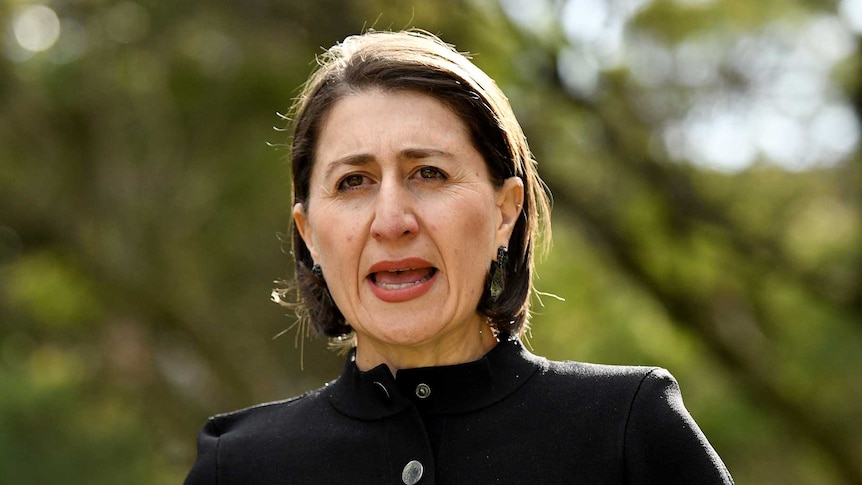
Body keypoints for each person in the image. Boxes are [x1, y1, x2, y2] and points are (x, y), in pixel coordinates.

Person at [184, 30, 734, 484]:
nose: (392, 220)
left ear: (504, 212)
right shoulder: (237, 467)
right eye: (353, 181)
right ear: (308, 234)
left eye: (429, 173)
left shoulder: (625, 429)